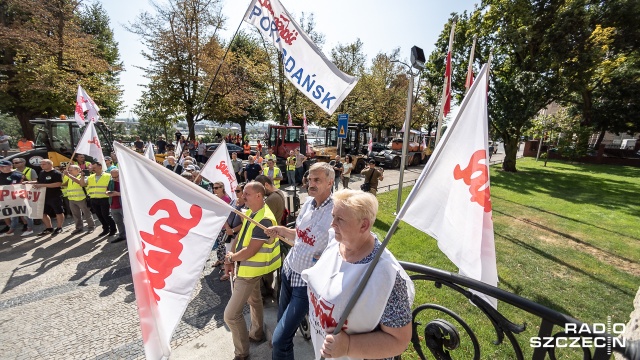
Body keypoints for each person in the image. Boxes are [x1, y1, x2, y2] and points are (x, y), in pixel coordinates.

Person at [301, 189, 415, 360]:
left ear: (364, 225)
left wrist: (348, 346)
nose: (332, 224)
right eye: (333, 216)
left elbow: (399, 341)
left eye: (340, 219)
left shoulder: (386, 275)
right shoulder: (336, 243)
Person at [265, 162, 335, 360]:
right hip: (289, 271)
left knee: (280, 338)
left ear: (330, 182)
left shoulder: (336, 211)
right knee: (281, 326)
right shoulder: (307, 203)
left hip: (306, 282)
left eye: (317, 180)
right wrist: (281, 230)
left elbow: (340, 245)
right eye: (310, 179)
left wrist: (328, 256)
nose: (311, 184)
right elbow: (300, 235)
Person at [223, 181, 282, 360]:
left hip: (250, 271)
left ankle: (241, 353)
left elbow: (250, 251)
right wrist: (231, 253)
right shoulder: (252, 212)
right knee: (255, 300)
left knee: (231, 316)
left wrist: (231, 258)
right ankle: (257, 333)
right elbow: (241, 237)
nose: (242, 197)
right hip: (249, 269)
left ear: (258, 196)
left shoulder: (264, 219)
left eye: (246, 194)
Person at [213, 182, 246, 281]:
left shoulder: (246, 205)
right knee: (228, 254)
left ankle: (237, 275)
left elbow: (245, 223)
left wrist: (233, 230)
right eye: (235, 190)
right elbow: (226, 214)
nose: (236, 193)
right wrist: (227, 228)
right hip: (229, 233)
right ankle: (228, 274)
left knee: (236, 256)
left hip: (237, 234)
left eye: (238, 191)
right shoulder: (233, 201)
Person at [28, 159, 65, 236]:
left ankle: (59, 227)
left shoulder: (56, 173)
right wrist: (29, 182)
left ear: (50, 164)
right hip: (43, 196)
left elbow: (58, 184)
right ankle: (49, 228)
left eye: (43, 164)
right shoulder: (42, 173)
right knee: (42, 213)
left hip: (55, 196)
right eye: (41, 164)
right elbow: (39, 181)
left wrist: (42, 185)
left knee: (58, 212)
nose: (41, 165)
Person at [0, 160, 34, 237]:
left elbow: (27, 184)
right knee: (13, 214)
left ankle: (30, 229)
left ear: (10, 166)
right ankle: (11, 230)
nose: (1, 168)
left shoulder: (17, 175)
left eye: (3, 166)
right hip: (7, 198)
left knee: (26, 213)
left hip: (20, 197)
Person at [83, 161, 116, 237]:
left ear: (100, 167)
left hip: (105, 198)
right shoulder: (90, 177)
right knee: (99, 215)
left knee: (106, 215)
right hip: (94, 199)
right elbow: (82, 184)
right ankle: (105, 229)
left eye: (94, 167)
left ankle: (113, 229)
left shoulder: (108, 175)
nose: (93, 169)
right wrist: (82, 176)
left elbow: (113, 185)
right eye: (92, 167)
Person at [63, 165, 95, 235]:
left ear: (78, 170)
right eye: (69, 170)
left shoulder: (83, 176)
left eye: (71, 170)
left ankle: (91, 227)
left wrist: (68, 175)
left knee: (87, 214)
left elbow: (80, 183)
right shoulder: (70, 177)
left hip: (82, 198)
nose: (69, 171)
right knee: (76, 215)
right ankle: (79, 228)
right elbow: (64, 184)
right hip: (72, 198)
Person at [106, 168, 126, 243]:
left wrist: (118, 194)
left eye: (116, 177)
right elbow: (107, 190)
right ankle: (122, 236)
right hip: (113, 206)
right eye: (113, 177)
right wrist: (108, 193)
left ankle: (130, 239)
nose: (115, 179)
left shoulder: (125, 181)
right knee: (118, 222)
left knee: (128, 223)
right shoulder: (111, 182)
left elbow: (130, 193)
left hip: (123, 206)